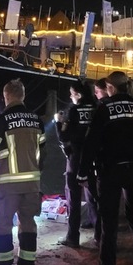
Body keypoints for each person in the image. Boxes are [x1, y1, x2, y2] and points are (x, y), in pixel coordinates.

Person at [79, 71, 133, 265]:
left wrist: (82, 172)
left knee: (109, 224)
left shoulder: (104, 108)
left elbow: (91, 142)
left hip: (110, 172)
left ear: (110, 87)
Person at [0, 79, 45, 265]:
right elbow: (43, 151)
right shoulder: (36, 120)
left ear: (6, 96)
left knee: (1, 223)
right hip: (32, 183)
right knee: (28, 222)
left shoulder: (1, 120)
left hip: (8, 185)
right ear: (23, 96)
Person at [55, 80, 100, 249]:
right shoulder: (97, 109)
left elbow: (64, 137)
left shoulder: (74, 111)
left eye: (72, 93)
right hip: (94, 159)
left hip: (76, 159)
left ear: (79, 95)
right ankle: (99, 235)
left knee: (73, 199)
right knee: (94, 198)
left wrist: (58, 122)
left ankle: (73, 237)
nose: (70, 96)